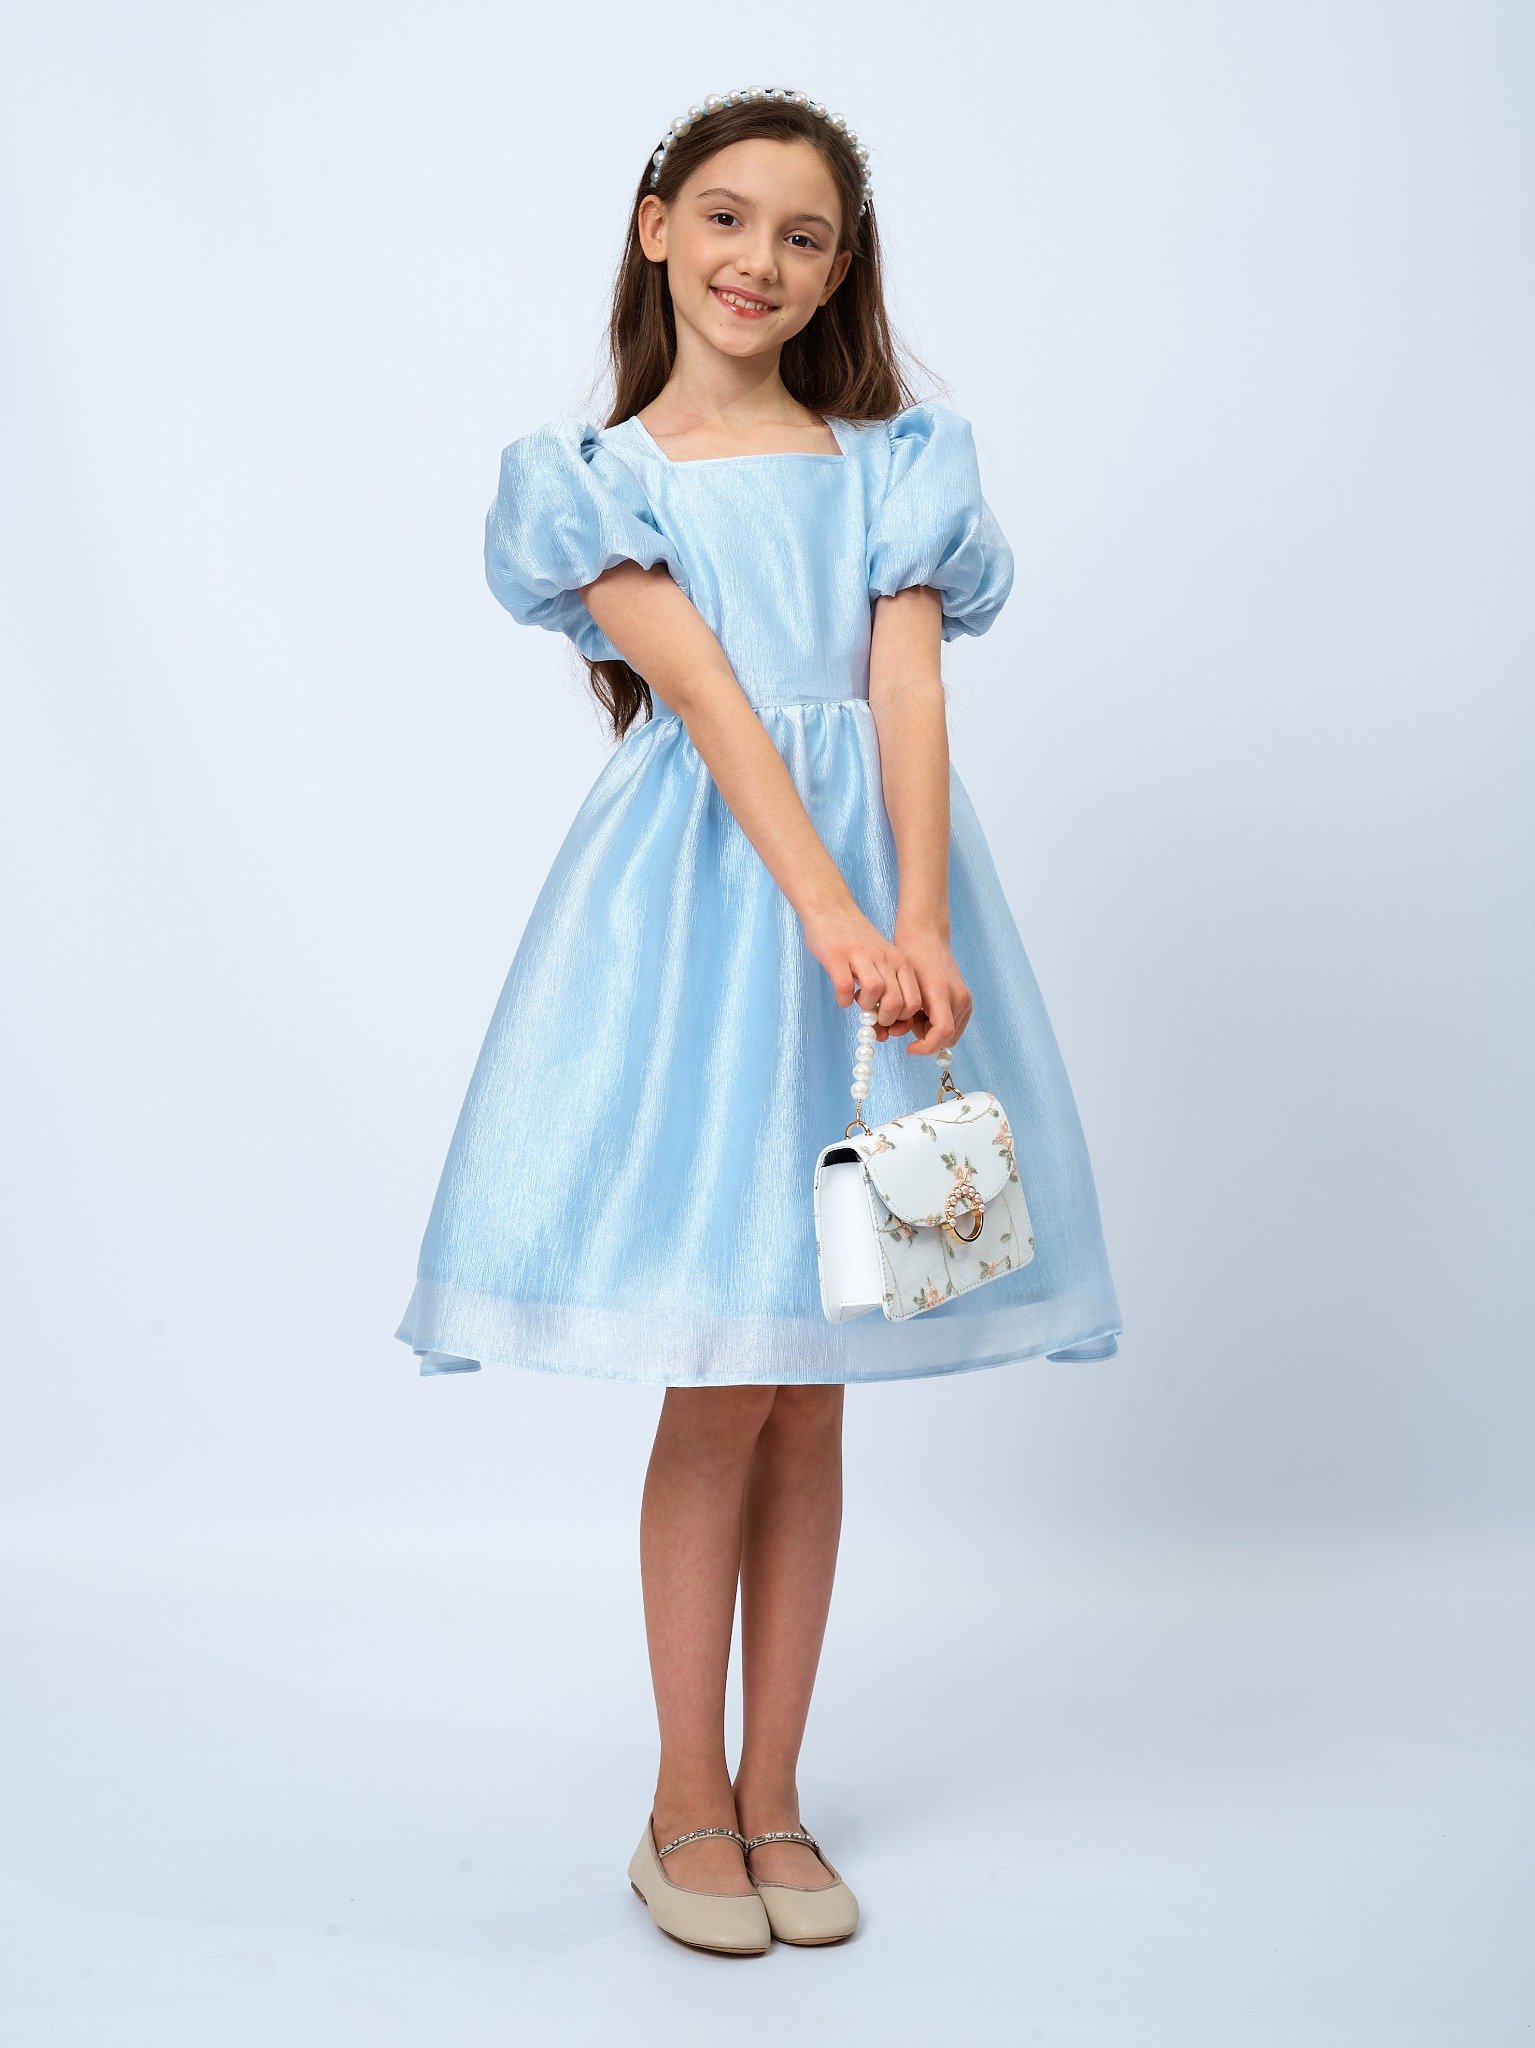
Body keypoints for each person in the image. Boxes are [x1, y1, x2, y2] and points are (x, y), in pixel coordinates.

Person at [394, 83, 1123, 1955]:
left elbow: (906, 693)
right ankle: (680, 1803)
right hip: (712, 917)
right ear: (657, 227)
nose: (759, 262)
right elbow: (713, 700)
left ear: (840, 267)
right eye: (726, 218)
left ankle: (777, 1792)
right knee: (725, 1367)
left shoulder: (895, 463)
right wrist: (830, 912)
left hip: (880, 911)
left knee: (815, 1378)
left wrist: (920, 920)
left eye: (804, 237)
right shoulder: (596, 478)